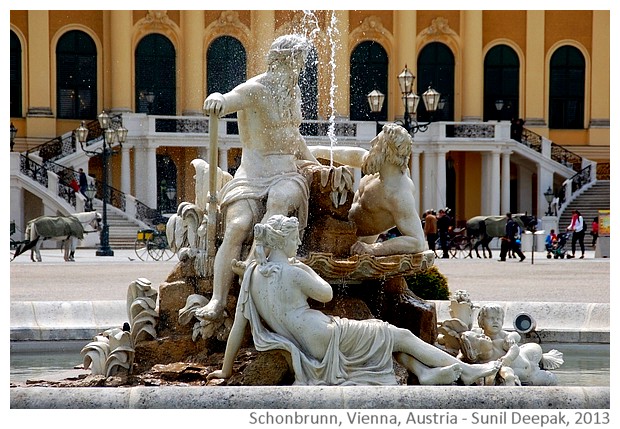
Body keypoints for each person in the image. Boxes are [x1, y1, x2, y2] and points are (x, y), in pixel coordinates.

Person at [207, 214, 500, 386]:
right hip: (325, 336)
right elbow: (327, 293)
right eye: (295, 238)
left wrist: (226, 368)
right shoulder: (295, 272)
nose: (298, 242)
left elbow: (237, 327)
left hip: (311, 339)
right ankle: (467, 370)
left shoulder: (253, 273)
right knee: (400, 334)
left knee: (385, 341)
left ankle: (423, 372)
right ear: (283, 240)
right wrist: (306, 266)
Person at [197, 34, 321, 321]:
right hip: (251, 174)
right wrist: (217, 98)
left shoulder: (293, 93)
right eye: (295, 64)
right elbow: (229, 99)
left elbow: (293, 135)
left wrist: (316, 164)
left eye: (300, 66)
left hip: (287, 173)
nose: (298, 72)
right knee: (236, 227)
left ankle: (252, 269)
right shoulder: (255, 89)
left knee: (279, 200)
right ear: (278, 62)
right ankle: (217, 301)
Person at [309, 123, 426, 256]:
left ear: (386, 150)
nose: (371, 142)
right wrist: (315, 150)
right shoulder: (378, 168)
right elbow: (350, 154)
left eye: (377, 142)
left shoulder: (399, 194)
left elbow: (418, 241)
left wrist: (374, 248)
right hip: (335, 223)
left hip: (354, 239)